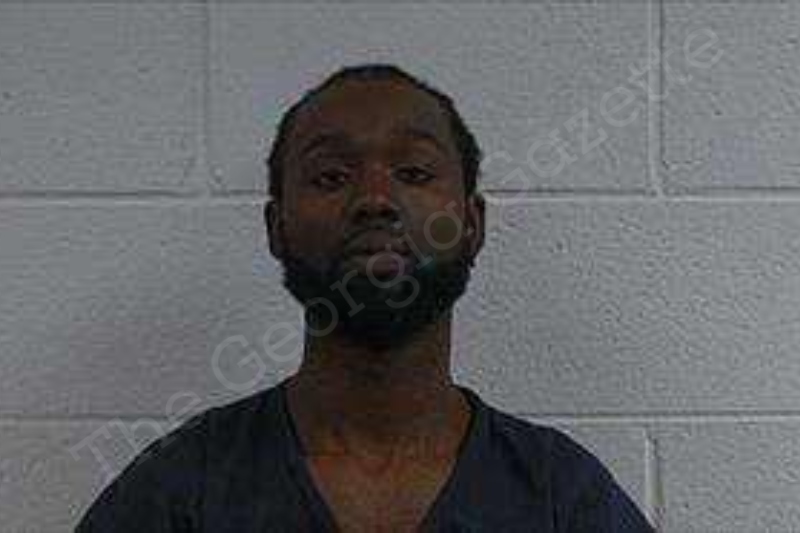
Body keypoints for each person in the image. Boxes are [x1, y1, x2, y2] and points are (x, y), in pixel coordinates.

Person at [75, 63, 656, 532]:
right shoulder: (182, 489)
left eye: (414, 172)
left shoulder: (559, 495)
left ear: (472, 223)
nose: (375, 199)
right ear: (277, 227)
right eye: (331, 177)